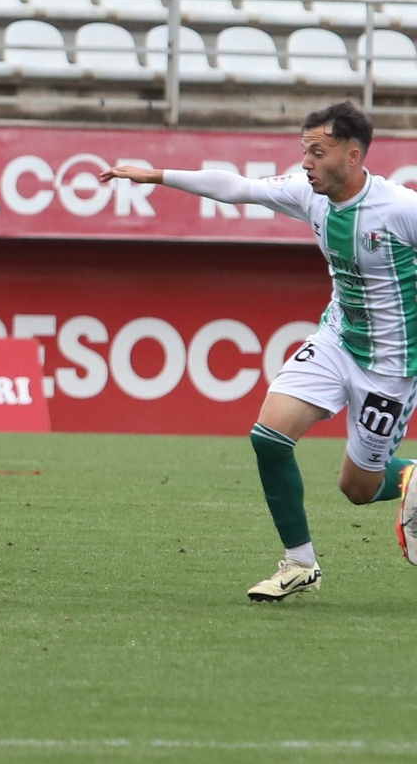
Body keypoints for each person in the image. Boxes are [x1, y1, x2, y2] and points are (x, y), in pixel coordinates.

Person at [102, 101, 417, 601]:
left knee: (357, 489)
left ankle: (409, 477)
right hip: (338, 341)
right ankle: (300, 562)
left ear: (353, 156)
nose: (306, 162)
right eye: (304, 151)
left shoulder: (402, 209)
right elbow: (234, 187)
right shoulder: (307, 195)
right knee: (269, 437)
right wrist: (156, 176)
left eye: (318, 151)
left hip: (392, 366)